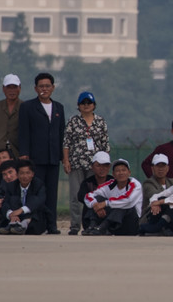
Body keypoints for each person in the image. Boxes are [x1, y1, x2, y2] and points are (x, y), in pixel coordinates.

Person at [17, 73, 65, 234]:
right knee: (36, 193)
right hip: (35, 158)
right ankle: (36, 224)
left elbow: (61, 133)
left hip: (53, 158)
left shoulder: (59, 107)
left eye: (47, 86)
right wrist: (24, 154)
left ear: (53, 87)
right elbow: (23, 132)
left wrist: (63, 157)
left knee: (52, 193)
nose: (44, 89)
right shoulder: (28, 107)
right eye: (41, 86)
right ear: (36, 88)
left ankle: (51, 225)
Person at [61, 91, 109, 235]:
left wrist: (104, 164)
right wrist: (66, 160)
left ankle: (91, 223)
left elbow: (105, 144)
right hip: (76, 163)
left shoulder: (100, 122)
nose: (86, 105)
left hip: (96, 165)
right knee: (76, 195)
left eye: (89, 103)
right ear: (78, 105)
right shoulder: (73, 121)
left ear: (94, 105)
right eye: (83, 103)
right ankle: (75, 225)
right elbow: (66, 142)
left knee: (94, 195)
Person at [83, 158, 143, 236]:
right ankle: (92, 226)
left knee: (123, 205)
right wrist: (95, 205)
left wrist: (106, 203)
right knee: (98, 199)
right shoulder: (110, 184)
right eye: (117, 171)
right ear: (113, 174)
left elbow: (129, 200)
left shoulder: (135, 184)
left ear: (129, 173)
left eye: (123, 170)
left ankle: (102, 227)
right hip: (115, 224)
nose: (121, 173)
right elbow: (89, 195)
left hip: (131, 224)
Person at [1, 160, 47, 235]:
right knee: (13, 199)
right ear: (17, 174)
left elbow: (39, 200)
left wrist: (21, 210)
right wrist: (11, 214)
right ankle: (14, 224)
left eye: (28, 173)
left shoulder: (39, 184)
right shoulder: (11, 186)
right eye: (21, 173)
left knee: (34, 200)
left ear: (32, 174)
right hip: (16, 217)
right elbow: (5, 203)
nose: (25, 176)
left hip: (33, 218)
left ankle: (23, 225)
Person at [75, 152, 113, 232]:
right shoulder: (87, 183)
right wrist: (96, 206)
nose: (102, 169)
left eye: (105, 166)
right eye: (98, 165)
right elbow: (81, 196)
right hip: (89, 219)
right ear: (92, 167)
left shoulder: (113, 182)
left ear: (109, 167)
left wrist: (101, 206)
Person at [0, 74, 22, 158]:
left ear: (19, 88)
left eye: (14, 87)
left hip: (17, 151)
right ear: (3, 89)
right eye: (9, 87)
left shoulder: (25, 107)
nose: (12, 90)